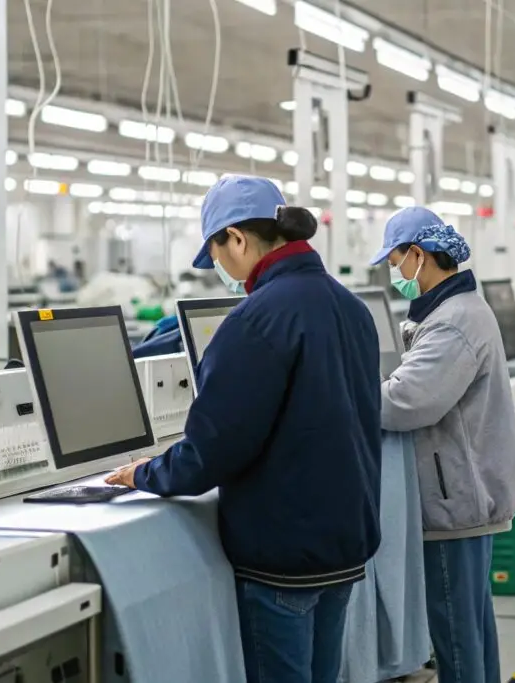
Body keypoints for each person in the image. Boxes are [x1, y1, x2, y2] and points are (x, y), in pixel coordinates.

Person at [106, 175, 383, 683]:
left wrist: (146, 473)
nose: (219, 269)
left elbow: (215, 448)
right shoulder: (351, 308)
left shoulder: (257, 319)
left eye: (216, 253)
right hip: (344, 542)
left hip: (283, 557)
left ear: (236, 238)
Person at [369, 206, 515, 683]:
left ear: (420, 254)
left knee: (455, 634)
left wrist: (340, 391)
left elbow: (405, 401)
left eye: (397, 263)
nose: (397, 275)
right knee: (472, 629)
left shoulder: (454, 321)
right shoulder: (454, 312)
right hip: (462, 494)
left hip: (453, 499)